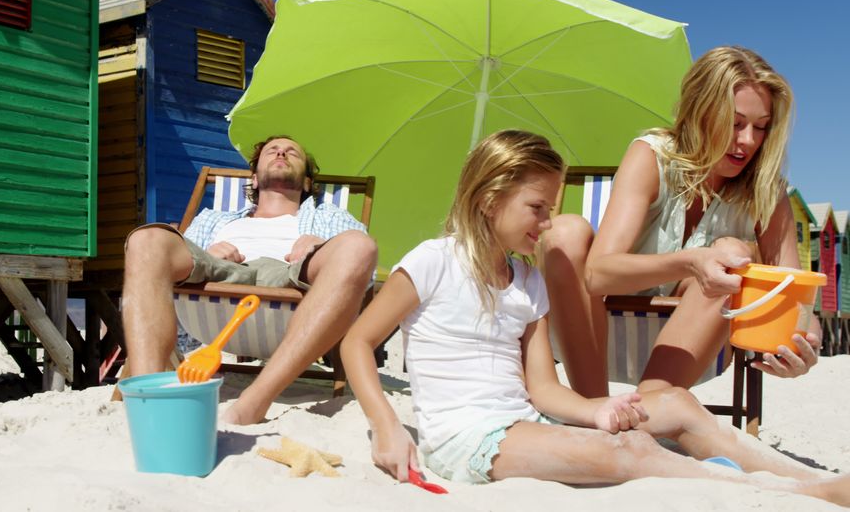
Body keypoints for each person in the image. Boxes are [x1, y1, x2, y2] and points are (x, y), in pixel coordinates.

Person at [340, 130, 849, 504]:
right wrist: (386, 424)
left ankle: (800, 480)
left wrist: (597, 411)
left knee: (672, 401)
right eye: (537, 208)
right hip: (466, 439)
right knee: (629, 452)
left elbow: (543, 388)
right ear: (490, 199)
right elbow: (357, 344)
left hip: (526, 420)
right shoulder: (433, 259)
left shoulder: (528, 282)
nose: (547, 222)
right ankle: (798, 495)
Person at [541, 45, 820, 398]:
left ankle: (649, 412)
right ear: (701, 111)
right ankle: (596, 411)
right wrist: (690, 262)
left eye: (761, 127)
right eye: (735, 123)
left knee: (731, 254)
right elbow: (597, 275)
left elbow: (795, 297)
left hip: (690, 347)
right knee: (564, 232)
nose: (748, 141)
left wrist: (808, 343)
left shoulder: (765, 190)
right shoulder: (652, 156)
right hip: (594, 336)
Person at [117, 135, 377, 425]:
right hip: (222, 270)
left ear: (306, 183)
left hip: (289, 274)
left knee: (358, 245)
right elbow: (167, 264)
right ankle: (146, 395)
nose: (281, 152)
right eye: (272, 151)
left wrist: (322, 247)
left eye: (292, 152)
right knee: (146, 239)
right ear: (253, 179)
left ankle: (256, 400)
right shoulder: (214, 219)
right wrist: (207, 252)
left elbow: (365, 277)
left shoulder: (329, 217)